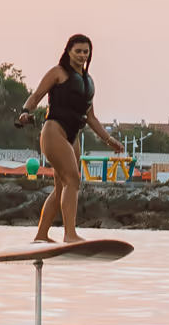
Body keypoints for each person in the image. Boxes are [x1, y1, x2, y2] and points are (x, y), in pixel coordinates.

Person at [15, 33, 124, 243]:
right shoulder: (58, 72)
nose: (82, 55)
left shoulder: (88, 82)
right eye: (78, 51)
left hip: (73, 136)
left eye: (86, 52)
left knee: (61, 187)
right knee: (73, 179)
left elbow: (91, 118)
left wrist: (110, 140)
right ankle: (70, 235)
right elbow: (36, 95)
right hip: (54, 130)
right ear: (68, 51)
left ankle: (41, 236)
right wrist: (24, 112)